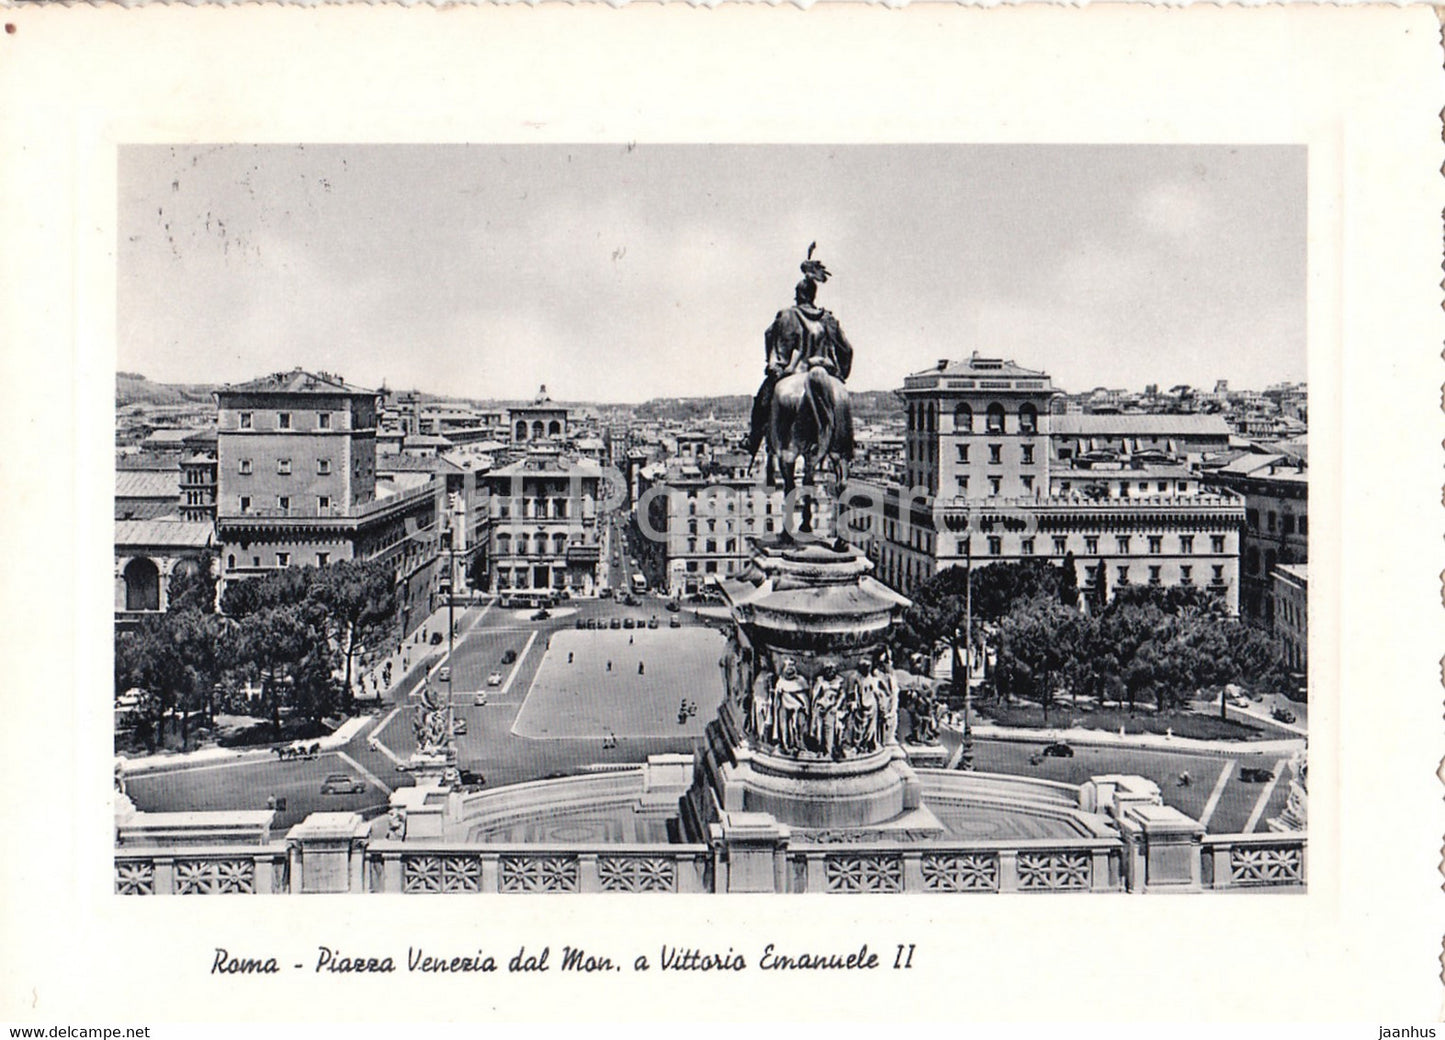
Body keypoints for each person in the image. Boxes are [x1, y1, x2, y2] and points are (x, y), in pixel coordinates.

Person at [744, 245, 856, 462]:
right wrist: (841, 375)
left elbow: (774, 343)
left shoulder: (787, 315)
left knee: (762, 402)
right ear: (813, 295)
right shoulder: (828, 319)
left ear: (798, 295)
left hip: (795, 370)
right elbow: (847, 349)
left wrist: (775, 366)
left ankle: (753, 439)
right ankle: (846, 446)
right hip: (826, 369)